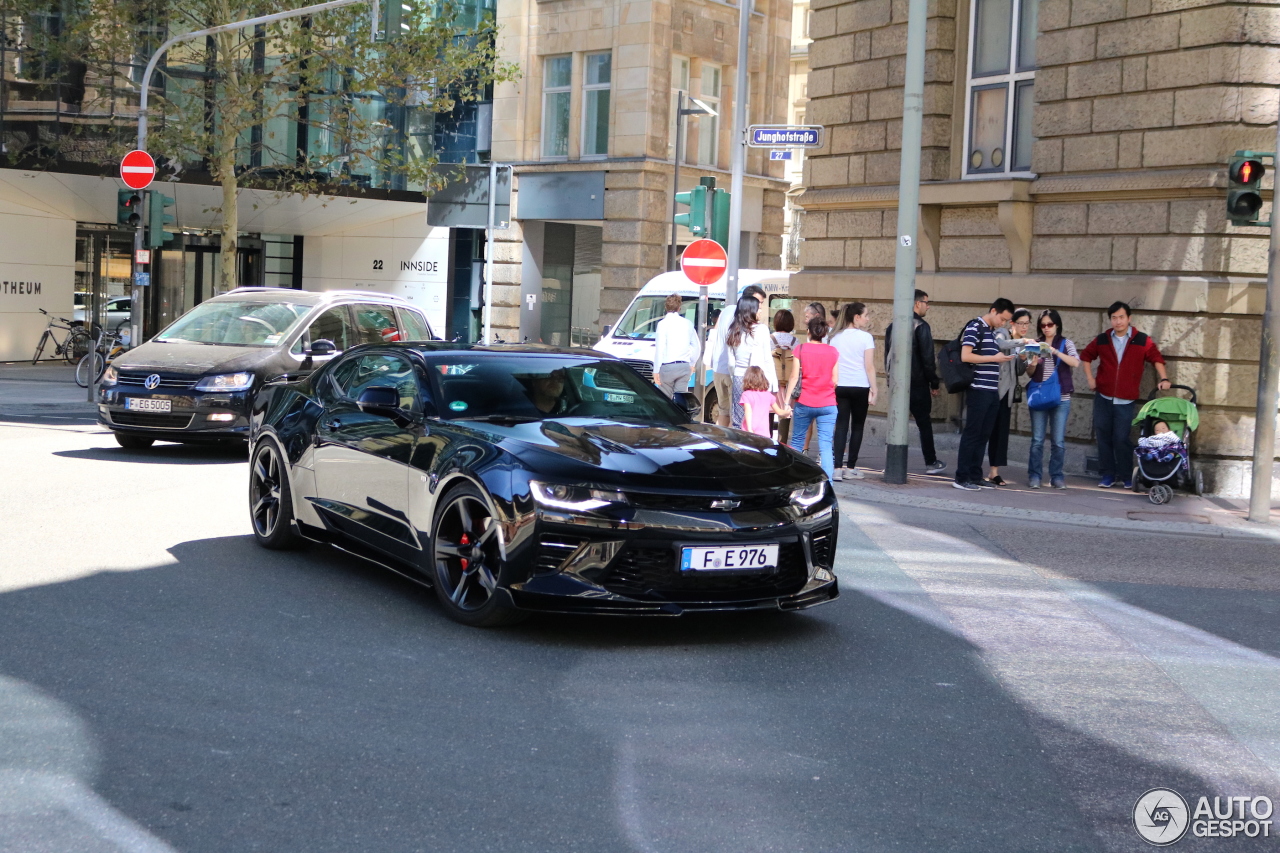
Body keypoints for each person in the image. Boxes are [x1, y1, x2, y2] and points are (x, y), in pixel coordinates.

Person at [1079, 301, 1170, 489]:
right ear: (1110, 320)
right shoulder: (1103, 339)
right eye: (1114, 318)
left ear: (1129, 318)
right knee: (1103, 436)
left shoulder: (1142, 340)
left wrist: (1164, 378)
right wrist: (1090, 379)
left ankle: (1127, 475)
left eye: (1121, 317)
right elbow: (1086, 356)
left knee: (1121, 438)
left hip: (1126, 399)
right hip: (1103, 396)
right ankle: (1107, 475)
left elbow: (1156, 358)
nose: (1118, 321)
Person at [953, 298, 1016, 490]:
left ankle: (974, 475)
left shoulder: (990, 332)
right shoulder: (975, 327)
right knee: (972, 433)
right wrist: (994, 358)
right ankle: (961, 477)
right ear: (994, 311)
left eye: (1006, 321)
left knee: (983, 435)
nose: (1003, 324)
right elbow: (966, 355)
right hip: (978, 389)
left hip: (991, 391)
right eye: (1002, 319)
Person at [884, 289, 945, 473]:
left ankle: (892, 463)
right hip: (917, 384)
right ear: (917, 303)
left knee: (896, 422)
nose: (928, 306)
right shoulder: (921, 326)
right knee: (924, 423)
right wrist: (934, 383)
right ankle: (931, 461)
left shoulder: (893, 325)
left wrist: (889, 380)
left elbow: (887, 356)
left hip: (897, 383)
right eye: (927, 302)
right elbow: (928, 360)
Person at [1024, 309, 1080, 489]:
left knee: (1058, 441)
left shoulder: (1065, 343)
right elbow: (1030, 373)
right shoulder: (1035, 343)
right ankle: (1034, 475)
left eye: (1050, 324)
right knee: (1037, 440)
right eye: (1043, 325)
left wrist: (1055, 351)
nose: (1046, 328)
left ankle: (1056, 476)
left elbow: (1075, 362)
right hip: (1040, 395)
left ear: (1057, 325)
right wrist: (1032, 364)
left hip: (1061, 397)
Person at [985, 308, 1034, 486]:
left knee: (1001, 433)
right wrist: (1021, 342)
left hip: (1008, 394)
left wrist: (1028, 359)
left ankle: (994, 472)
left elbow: (1020, 371)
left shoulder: (1023, 344)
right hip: (991, 391)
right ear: (1012, 323)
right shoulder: (1002, 333)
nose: (1024, 327)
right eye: (1020, 323)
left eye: (1027, 323)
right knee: (984, 431)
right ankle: (972, 468)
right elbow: (1000, 345)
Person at [786, 316, 839, 479]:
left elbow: (794, 377)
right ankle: (828, 485)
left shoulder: (800, 349)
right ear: (824, 333)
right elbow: (835, 380)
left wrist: (787, 401)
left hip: (804, 402)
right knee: (825, 446)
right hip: (828, 404)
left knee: (796, 442)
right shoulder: (833, 351)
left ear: (808, 331)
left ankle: (792, 481)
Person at [829, 302, 877, 480]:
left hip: (840, 385)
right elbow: (869, 367)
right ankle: (851, 468)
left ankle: (837, 468)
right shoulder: (866, 338)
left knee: (840, 426)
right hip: (860, 386)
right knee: (857, 426)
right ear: (856, 317)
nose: (867, 319)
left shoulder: (834, 337)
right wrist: (874, 388)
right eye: (866, 315)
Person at [711, 284, 768, 426]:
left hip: (719, 368)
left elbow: (717, 332)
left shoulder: (726, 310)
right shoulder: (744, 319)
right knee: (739, 415)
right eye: (759, 303)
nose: (759, 307)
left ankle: (721, 443)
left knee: (724, 412)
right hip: (736, 373)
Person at [723, 295, 779, 428]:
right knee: (757, 416)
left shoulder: (733, 330)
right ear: (750, 311)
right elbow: (767, 359)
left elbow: (731, 362)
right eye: (758, 309)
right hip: (757, 378)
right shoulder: (762, 330)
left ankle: (739, 444)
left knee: (738, 417)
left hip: (739, 377)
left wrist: (735, 376)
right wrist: (772, 384)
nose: (760, 312)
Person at [651, 293, 700, 399]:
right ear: (679, 308)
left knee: (665, 400)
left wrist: (656, 371)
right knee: (681, 399)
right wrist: (692, 363)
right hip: (683, 365)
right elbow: (697, 347)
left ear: (666, 307)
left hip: (667, 366)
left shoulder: (662, 324)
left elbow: (660, 349)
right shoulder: (688, 323)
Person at [771, 309, 798, 443]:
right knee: (785, 416)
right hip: (788, 385)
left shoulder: (770, 339)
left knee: (768, 414)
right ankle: (782, 444)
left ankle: (767, 444)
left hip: (772, 383)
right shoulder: (795, 341)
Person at [740, 365, 788, 439]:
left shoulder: (746, 394)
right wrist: (788, 412)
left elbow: (748, 411)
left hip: (749, 429)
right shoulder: (768, 395)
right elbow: (779, 412)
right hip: (764, 431)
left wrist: (749, 429)